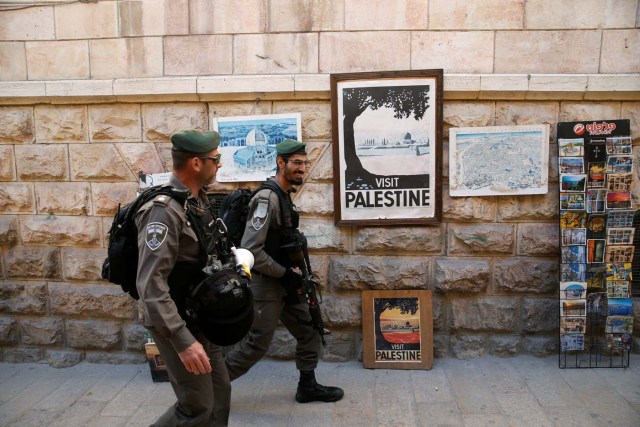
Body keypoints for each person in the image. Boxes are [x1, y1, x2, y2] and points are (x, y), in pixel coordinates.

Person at [224, 139, 344, 403]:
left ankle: (308, 386)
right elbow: (251, 250)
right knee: (256, 344)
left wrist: (294, 276)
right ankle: (208, 390)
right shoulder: (267, 199)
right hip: (267, 284)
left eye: (304, 163)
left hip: (287, 282)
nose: (302, 168)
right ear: (281, 163)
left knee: (310, 328)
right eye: (296, 163)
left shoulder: (284, 196)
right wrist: (284, 273)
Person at [135, 129, 231, 426]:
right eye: (216, 159)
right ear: (196, 164)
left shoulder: (196, 201)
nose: (220, 165)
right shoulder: (163, 211)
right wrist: (182, 340)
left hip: (199, 316)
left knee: (220, 393)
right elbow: (150, 284)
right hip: (174, 322)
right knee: (197, 406)